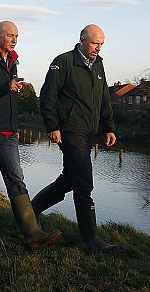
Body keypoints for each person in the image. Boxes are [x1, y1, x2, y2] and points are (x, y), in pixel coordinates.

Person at [0, 21, 62, 248]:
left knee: (16, 180)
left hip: (9, 133)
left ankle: (33, 233)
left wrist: (15, 127)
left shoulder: (13, 61)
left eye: (17, 36)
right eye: (10, 35)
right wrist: (6, 86)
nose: (14, 39)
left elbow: (10, 98)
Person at [31, 24, 118, 253]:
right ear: (81, 39)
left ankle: (32, 210)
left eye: (101, 44)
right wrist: (52, 126)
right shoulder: (64, 62)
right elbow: (47, 96)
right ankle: (92, 240)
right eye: (94, 43)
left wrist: (108, 127)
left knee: (70, 178)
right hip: (69, 131)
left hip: (88, 132)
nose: (98, 48)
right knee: (84, 183)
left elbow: (103, 99)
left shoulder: (99, 65)